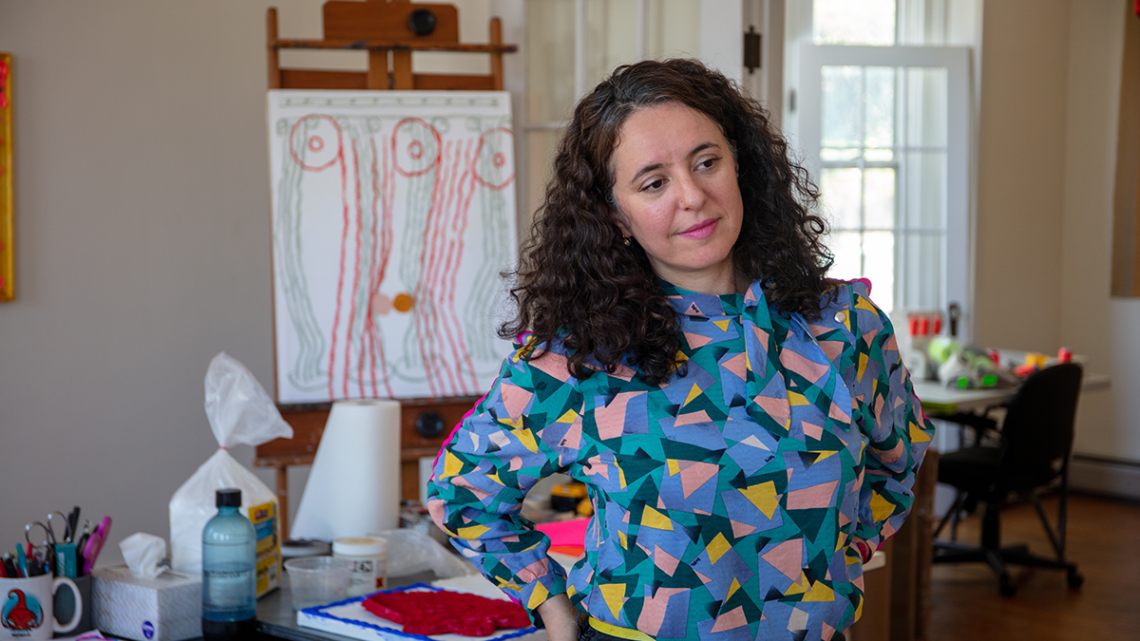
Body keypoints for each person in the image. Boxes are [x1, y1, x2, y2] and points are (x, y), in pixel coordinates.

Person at [427, 58, 934, 641]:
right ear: (615, 216)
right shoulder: (579, 357)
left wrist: (832, 561)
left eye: (706, 162)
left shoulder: (847, 327)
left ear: (740, 165)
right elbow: (462, 493)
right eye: (654, 183)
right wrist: (554, 608)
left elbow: (897, 465)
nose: (693, 196)